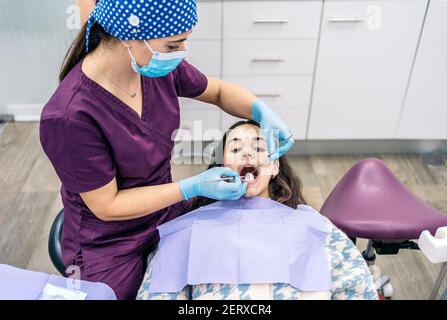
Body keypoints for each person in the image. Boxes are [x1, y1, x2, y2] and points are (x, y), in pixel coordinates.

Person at [40, 0, 293, 299]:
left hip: (164, 210)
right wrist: (190, 187)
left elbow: (219, 92)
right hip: (109, 242)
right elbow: (107, 206)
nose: (182, 54)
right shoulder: (69, 117)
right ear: (128, 36)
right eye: (174, 45)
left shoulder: (152, 66)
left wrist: (259, 109)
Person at [137, 121, 379, 300]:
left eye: (259, 147)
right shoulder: (188, 229)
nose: (247, 152)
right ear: (221, 167)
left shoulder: (313, 226)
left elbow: (356, 286)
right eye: (235, 149)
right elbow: (158, 292)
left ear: (274, 166)